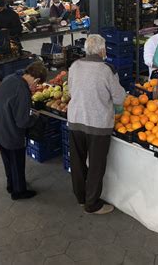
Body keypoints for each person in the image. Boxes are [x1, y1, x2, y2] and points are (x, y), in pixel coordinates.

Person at [68, 35, 126, 214]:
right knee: (96, 165)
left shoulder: (74, 66)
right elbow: (119, 97)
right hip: (97, 124)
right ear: (102, 51)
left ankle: (80, 197)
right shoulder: (106, 70)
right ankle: (92, 204)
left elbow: (71, 90)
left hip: (75, 120)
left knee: (77, 161)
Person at [0, 61, 48, 200]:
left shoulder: (11, 78)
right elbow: (22, 121)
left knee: (7, 159)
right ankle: (19, 192)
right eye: (37, 84)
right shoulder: (23, 90)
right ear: (36, 79)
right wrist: (35, 117)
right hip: (10, 131)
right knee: (17, 161)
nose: (35, 87)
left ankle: (11, 184)